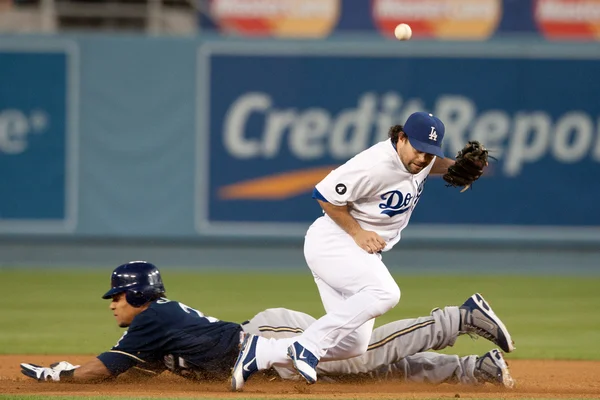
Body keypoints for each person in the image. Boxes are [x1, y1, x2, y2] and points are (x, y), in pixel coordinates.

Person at [231, 112, 512, 390]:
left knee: (353, 345)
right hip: (334, 242)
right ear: (401, 138)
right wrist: (358, 232)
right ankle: (307, 346)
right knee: (386, 293)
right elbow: (325, 194)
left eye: (429, 153)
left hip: (354, 252)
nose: (422, 159)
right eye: (418, 150)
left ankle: (262, 352)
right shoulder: (374, 164)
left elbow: (431, 163)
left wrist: (452, 166)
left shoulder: (419, 159)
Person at [21, 261, 514, 389]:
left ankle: (455, 318)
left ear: (138, 297)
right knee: (363, 375)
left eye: (117, 296)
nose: (113, 305)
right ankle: (473, 372)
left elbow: (100, 372)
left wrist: (59, 374)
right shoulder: (153, 331)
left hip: (265, 338)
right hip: (263, 356)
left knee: (363, 354)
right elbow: (130, 369)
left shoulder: (151, 320)